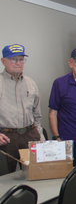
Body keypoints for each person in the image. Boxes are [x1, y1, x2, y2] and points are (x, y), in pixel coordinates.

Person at [0, 44, 44, 172]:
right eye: (13, 59)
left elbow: (37, 115)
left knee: (35, 174)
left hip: (30, 135)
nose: (18, 63)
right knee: (6, 178)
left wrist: (40, 137)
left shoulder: (30, 83)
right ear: (3, 61)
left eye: (21, 59)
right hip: (7, 138)